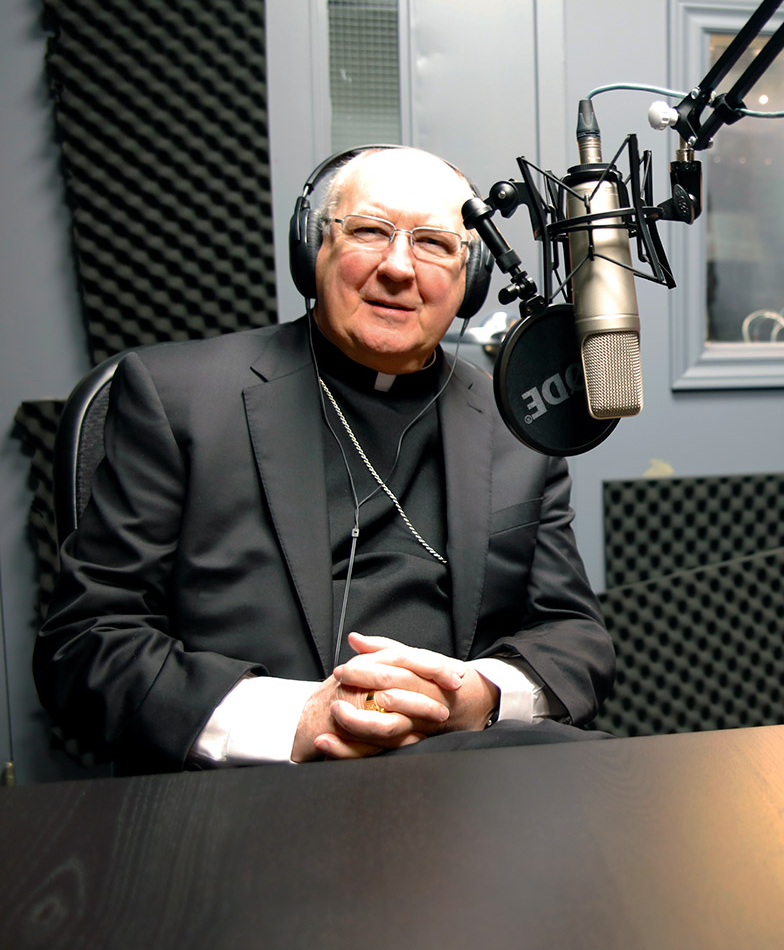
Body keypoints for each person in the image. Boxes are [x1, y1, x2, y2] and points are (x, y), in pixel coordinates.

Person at [36, 146, 614, 773]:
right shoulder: (177, 397)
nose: (399, 267)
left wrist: (475, 697)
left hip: (465, 774)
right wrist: (298, 720)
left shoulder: (515, 422)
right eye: (369, 231)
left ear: (469, 279)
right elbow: (85, 644)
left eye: (433, 244)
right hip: (256, 787)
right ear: (313, 249)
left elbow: (574, 640)